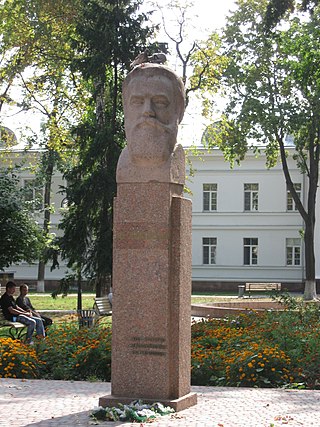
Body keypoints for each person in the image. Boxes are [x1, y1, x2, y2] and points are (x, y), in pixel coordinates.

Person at [117, 63, 186, 184]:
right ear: (126, 110)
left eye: (159, 102)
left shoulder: (175, 161)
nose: (147, 111)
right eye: (137, 102)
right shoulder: (123, 162)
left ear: (179, 111)